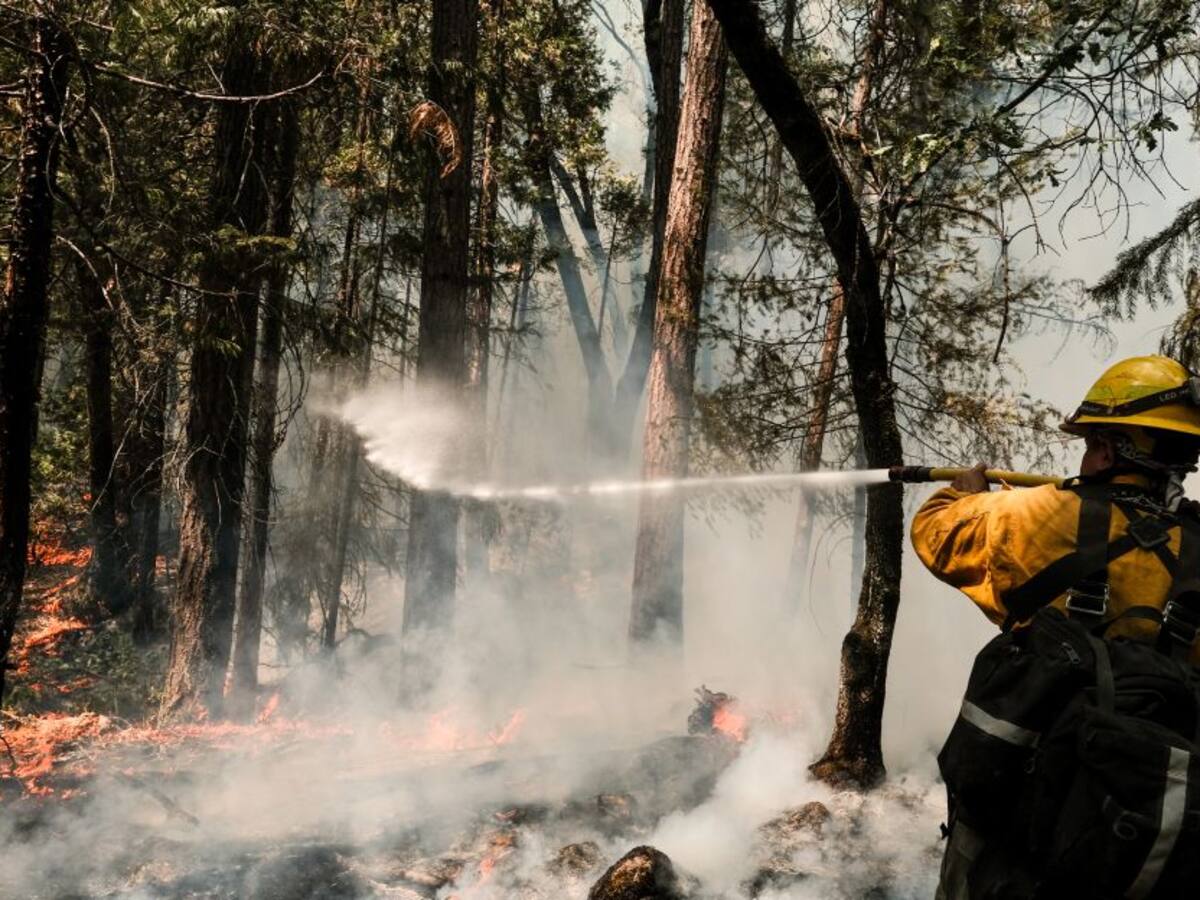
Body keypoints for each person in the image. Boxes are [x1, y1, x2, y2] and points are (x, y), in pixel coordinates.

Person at [911, 355, 1200, 900]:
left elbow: (936, 534)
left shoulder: (1037, 514)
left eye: (1092, 443)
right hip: (1145, 836)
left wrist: (963, 493)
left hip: (1019, 822)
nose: (1086, 456)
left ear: (1112, 449)